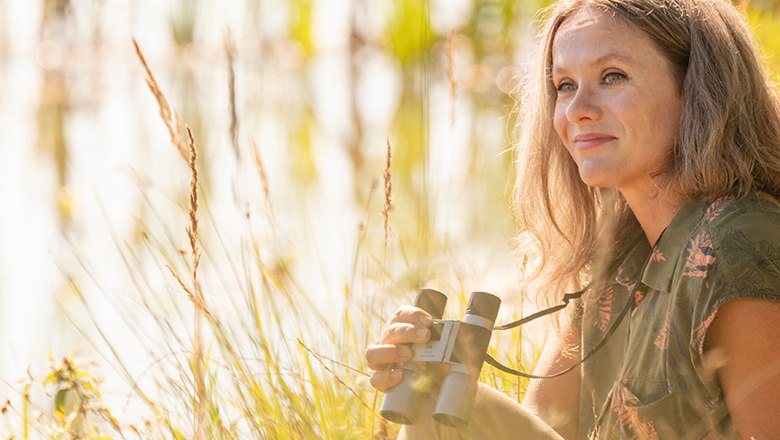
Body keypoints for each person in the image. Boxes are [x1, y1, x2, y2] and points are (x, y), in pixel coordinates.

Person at [365, 0, 780, 438]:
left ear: (697, 88)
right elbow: (546, 426)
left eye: (612, 77)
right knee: (437, 395)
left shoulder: (738, 247)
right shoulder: (616, 255)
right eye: (564, 85)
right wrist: (423, 362)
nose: (577, 109)